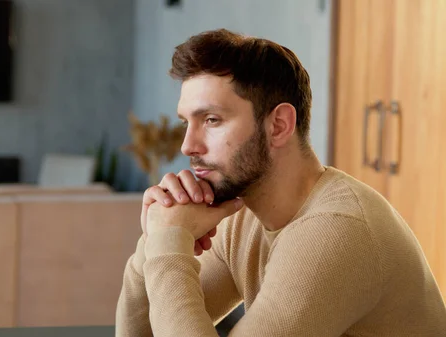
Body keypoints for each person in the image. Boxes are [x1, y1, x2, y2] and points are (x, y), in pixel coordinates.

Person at [115, 29, 446, 336]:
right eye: (187, 122)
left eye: (211, 120)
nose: (188, 146)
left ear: (279, 125)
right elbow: (142, 330)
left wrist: (170, 243)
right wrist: (155, 238)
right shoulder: (241, 213)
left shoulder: (338, 231)